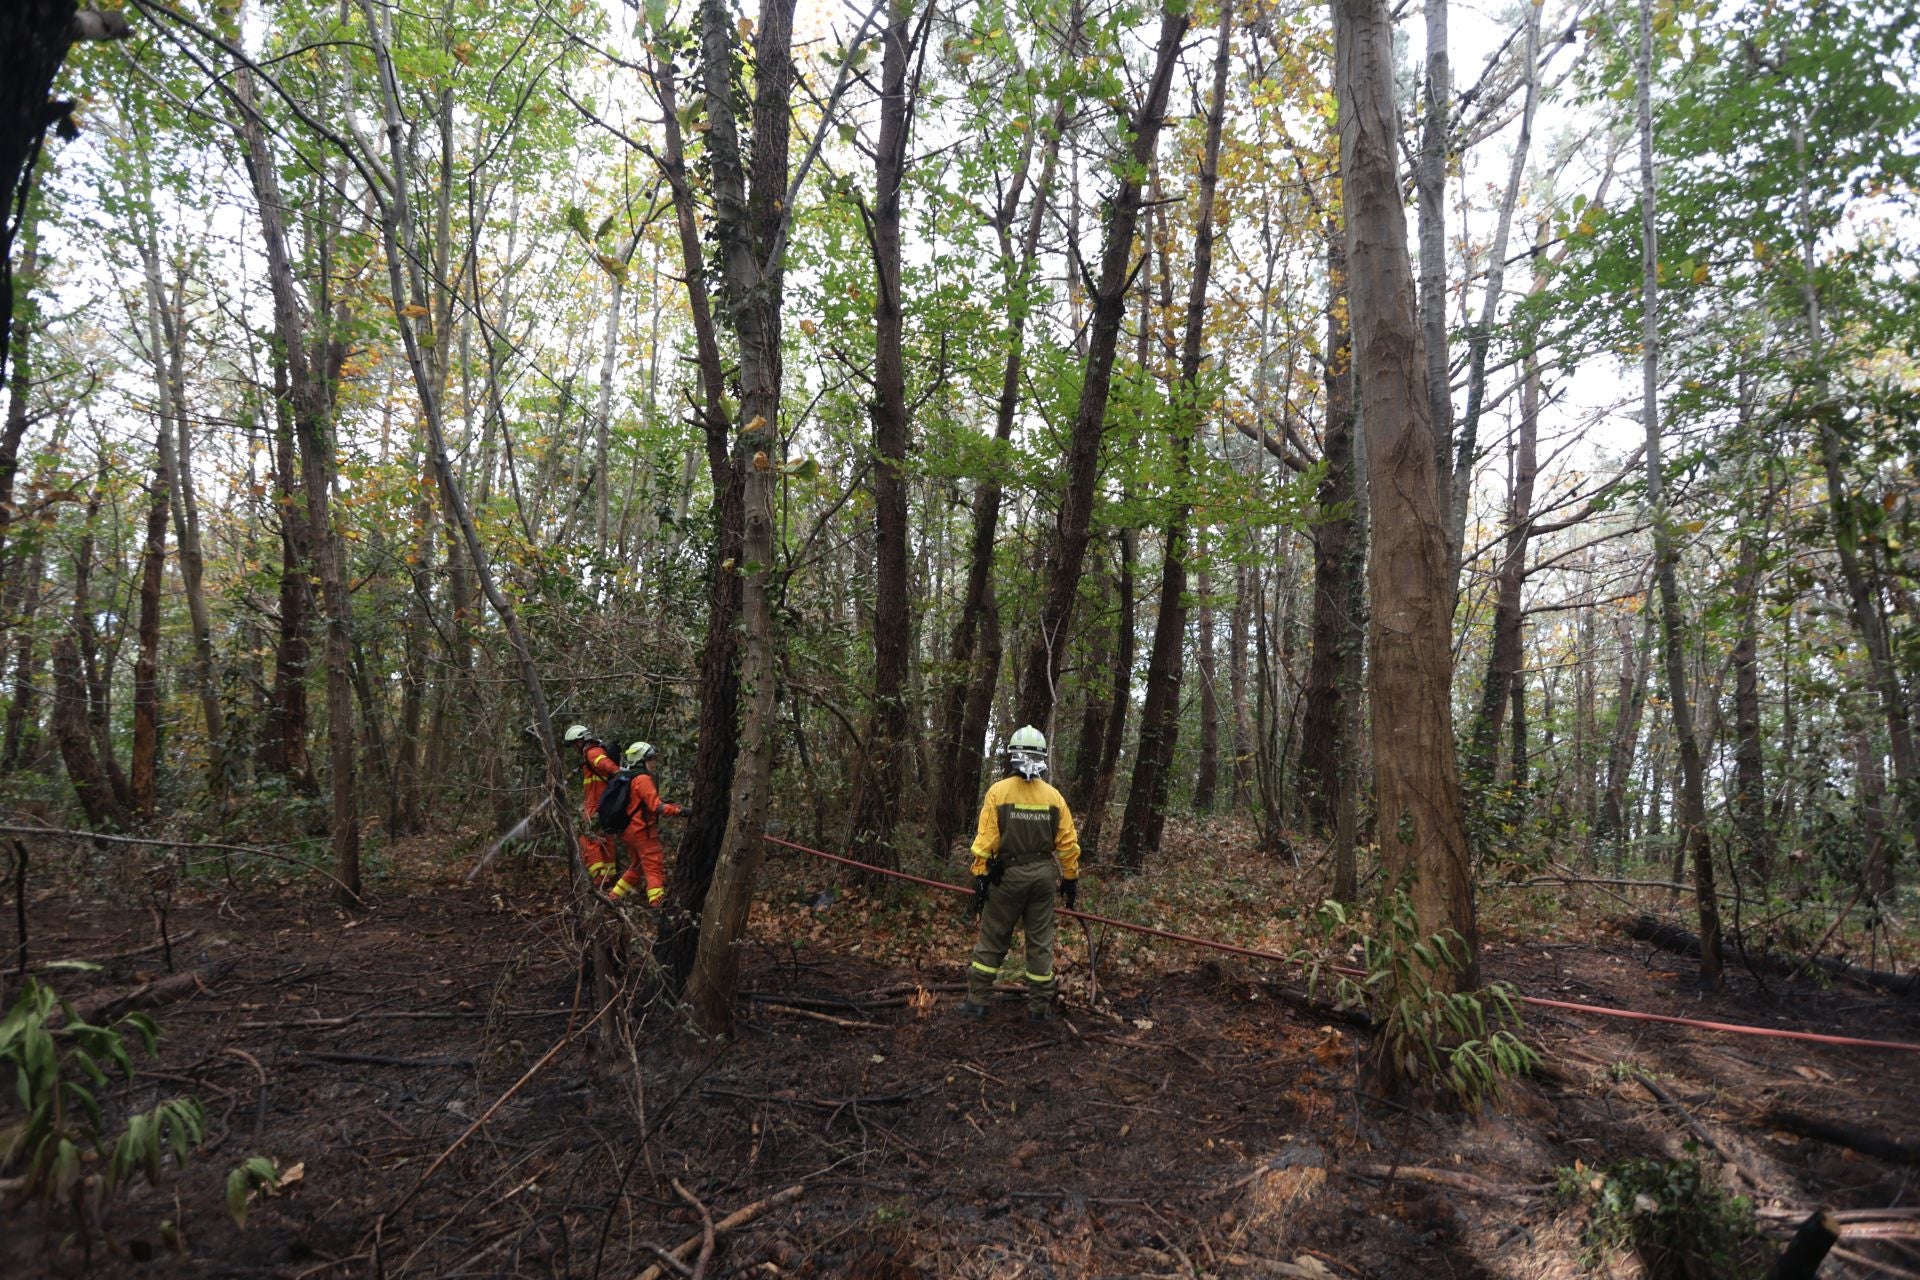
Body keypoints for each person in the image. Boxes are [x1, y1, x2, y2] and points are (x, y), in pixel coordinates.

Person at [958, 725, 1081, 1023]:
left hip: (1007, 877)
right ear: (1042, 757)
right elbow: (1067, 844)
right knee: (1039, 942)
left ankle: (977, 1003)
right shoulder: (1054, 798)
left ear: (1012, 756)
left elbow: (986, 842)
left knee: (993, 938)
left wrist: (981, 875)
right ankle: (1039, 1008)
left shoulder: (998, 793)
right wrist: (1070, 878)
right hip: (1042, 877)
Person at [608, 740, 686, 906]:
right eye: (651, 758)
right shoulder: (642, 779)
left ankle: (612, 898)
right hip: (641, 831)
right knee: (653, 866)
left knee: (636, 866)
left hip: (627, 831)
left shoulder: (627, 776)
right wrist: (681, 811)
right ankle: (657, 905)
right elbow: (656, 807)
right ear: (641, 760)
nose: (654, 762)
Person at [563, 724, 622, 890]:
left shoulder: (593, 752)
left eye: (574, 744)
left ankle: (599, 879)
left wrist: (617, 772)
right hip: (606, 807)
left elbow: (604, 763)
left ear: (580, 740)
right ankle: (609, 878)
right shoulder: (591, 754)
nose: (574, 748)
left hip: (596, 807)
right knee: (605, 840)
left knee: (587, 839)